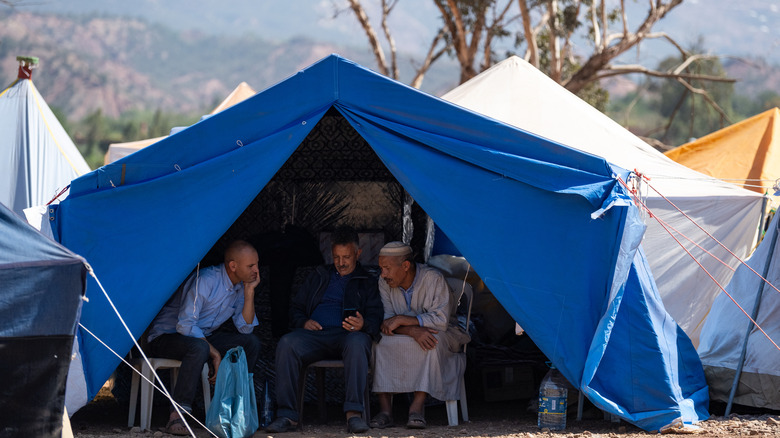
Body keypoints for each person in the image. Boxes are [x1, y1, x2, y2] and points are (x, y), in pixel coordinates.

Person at [265, 225, 383, 434]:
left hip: (349, 336)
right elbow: (296, 308)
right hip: (316, 336)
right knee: (287, 343)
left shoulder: (367, 281)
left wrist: (363, 324)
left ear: (358, 253)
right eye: (336, 256)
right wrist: (303, 322)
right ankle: (287, 415)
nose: (340, 262)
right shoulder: (319, 275)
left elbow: (377, 316)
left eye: (346, 257)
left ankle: (354, 415)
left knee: (358, 342)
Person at [146, 240, 262, 435]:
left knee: (250, 344)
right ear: (233, 266)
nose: (257, 270)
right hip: (166, 336)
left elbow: (245, 329)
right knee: (199, 348)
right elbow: (185, 324)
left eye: (257, 264)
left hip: (201, 337)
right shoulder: (206, 280)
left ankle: (237, 410)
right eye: (251, 266)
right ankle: (178, 416)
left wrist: (249, 292)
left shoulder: (240, 287)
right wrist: (214, 353)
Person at [370, 241, 469, 430]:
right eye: (381, 268)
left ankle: (416, 408)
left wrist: (403, 320)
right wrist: (412, 329)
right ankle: (385, 411)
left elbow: (440, 321)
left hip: (443, 332)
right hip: (406, 333)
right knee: (379, 344)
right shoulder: (384, 283)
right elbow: (387, 321)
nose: (383, 274)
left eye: (387, 268)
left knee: (430, 342)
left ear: (405, 266)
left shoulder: (433, 278)